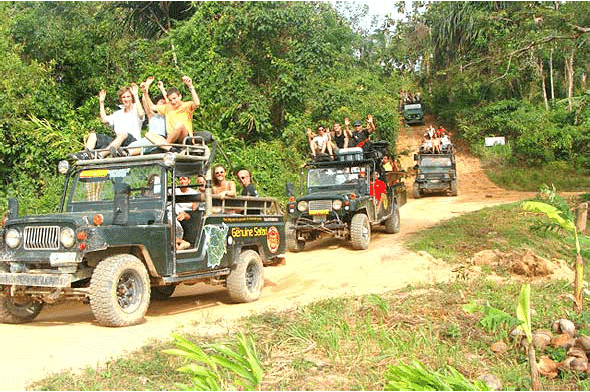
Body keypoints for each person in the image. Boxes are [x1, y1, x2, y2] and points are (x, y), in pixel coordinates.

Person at [74, 84, 146, 159]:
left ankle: (101, 155)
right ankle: (86, 154)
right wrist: (101, 102)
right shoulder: (118, 113)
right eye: (123, 97)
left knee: (123, 134)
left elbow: (141, 114)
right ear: (121, 99)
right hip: (117, 142)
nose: (126, 99)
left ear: (132, 98)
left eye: (128, 97)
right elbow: (104, 120)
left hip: (131, 142)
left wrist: (135, 95)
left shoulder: (136, 110)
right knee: (93, 135)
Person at [150, 76, 200, 145]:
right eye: (170, 100)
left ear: (180, 96)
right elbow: (152, 108)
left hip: (184, 137)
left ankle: (166, 144)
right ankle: (167, 146)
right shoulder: (167, 107)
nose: (173, 102)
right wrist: (145, 91)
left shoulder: (187, 105)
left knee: (179, 125)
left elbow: (197, 103)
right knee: (149, 135)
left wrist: (190, 86)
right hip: (172, 137)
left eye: (175, 98)